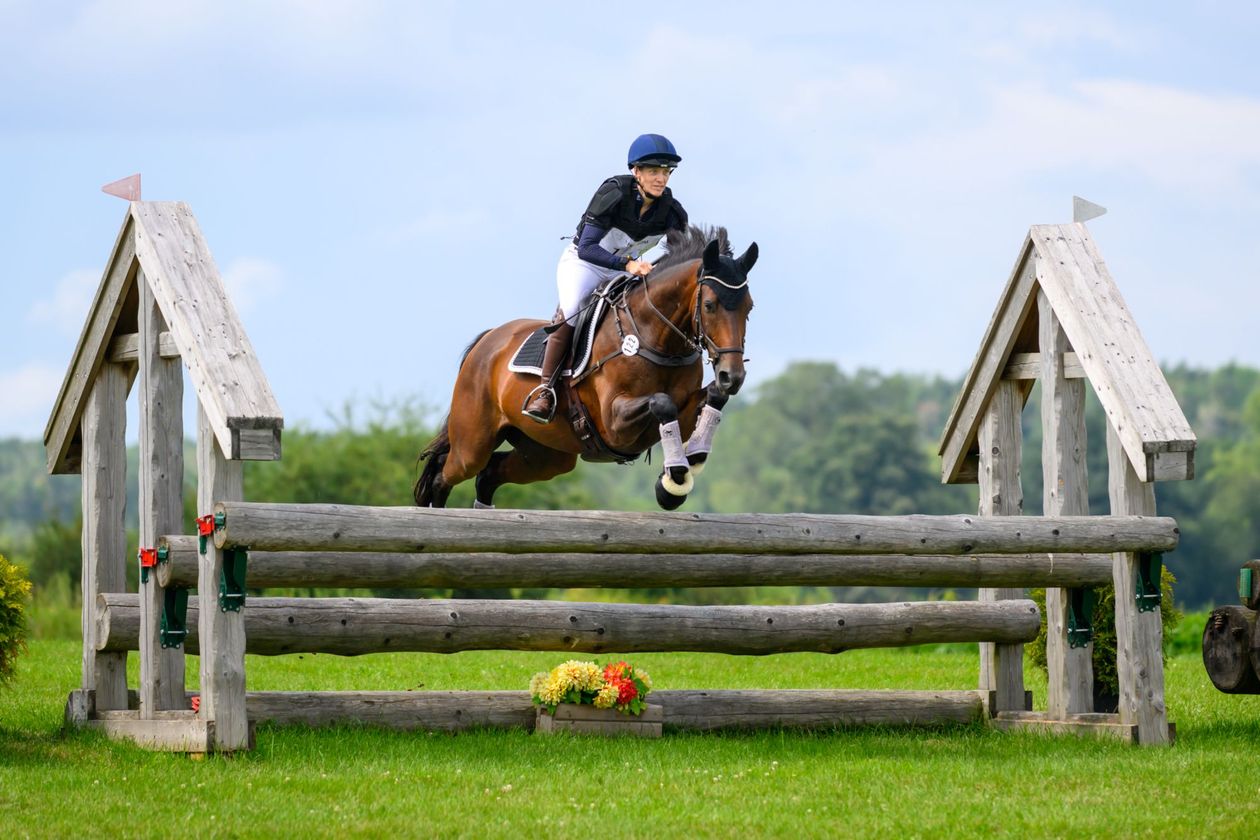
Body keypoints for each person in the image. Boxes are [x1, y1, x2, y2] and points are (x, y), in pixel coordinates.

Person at [523, 134, 690, 423]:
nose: (661, 179)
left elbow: (681, 257)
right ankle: (545, 389)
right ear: (636, 172)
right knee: (573, 309)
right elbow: (587, 248)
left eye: (665, 172)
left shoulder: (672, 212)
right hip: (584, 264)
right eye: (653, 171)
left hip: (627, 271)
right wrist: (627, 264)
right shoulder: (613, 193)